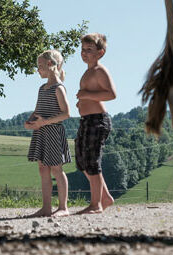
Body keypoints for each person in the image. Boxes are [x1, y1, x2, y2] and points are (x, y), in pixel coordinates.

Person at [24, 49, 72, 218]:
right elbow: (38, 109)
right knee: (43, 169)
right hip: (41, 132)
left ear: (51, 65)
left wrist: (44, 122)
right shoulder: (42, 88)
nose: (38, 70)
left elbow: (66, 113)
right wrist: (30, 120)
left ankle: (63, 208)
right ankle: (46, 208)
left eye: (40, 66)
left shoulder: (59, 88)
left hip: (53, 132)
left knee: (57, 170)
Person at [74, 32, 117, 214]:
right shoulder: (87, 72)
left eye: (89, 49)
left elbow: (111, 94)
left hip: (98, 120)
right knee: (82, 161)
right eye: (83, 49)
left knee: (92, 161)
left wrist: (86, 96)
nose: (84, 53)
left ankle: (96, 204)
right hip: (87, 120)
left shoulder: (100, 71)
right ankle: (105, 198)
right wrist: (82, 102)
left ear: (100, 52)